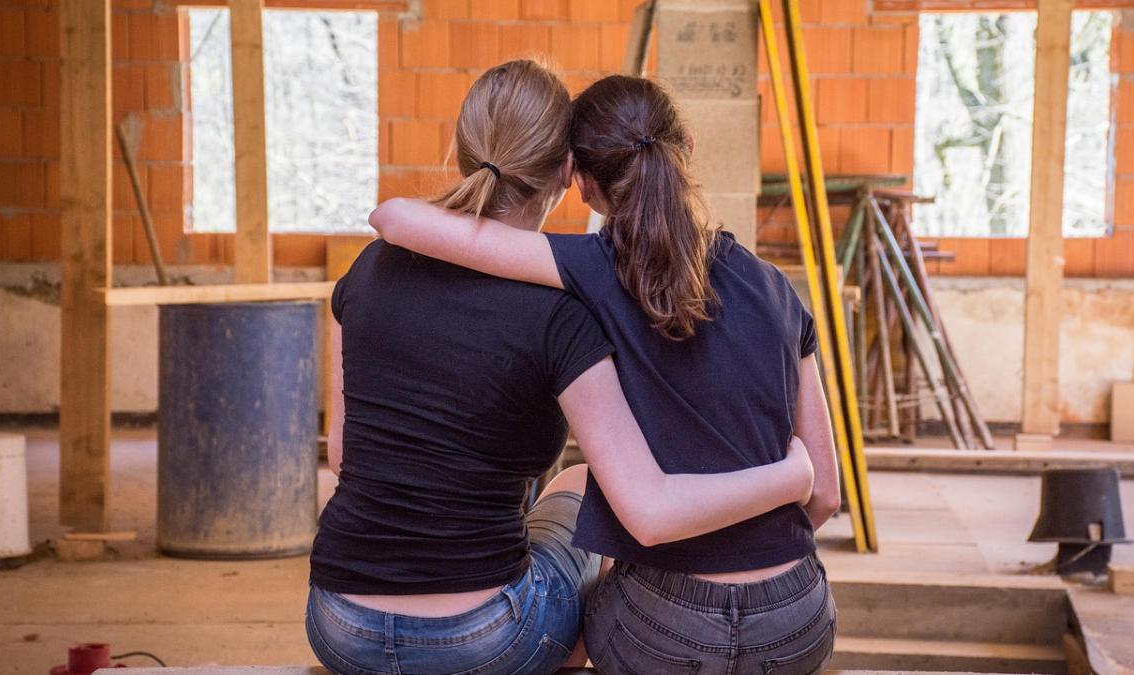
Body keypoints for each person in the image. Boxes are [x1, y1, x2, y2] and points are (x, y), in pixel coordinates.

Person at [309, 60, 816, 675]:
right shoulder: (567, 307)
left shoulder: (364, 272)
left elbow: (342, 455)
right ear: (567, 173)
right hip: (487, 639)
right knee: (580, 488)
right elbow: (648, 505)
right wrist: (791, 476)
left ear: (465, 147)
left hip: (337, 622)